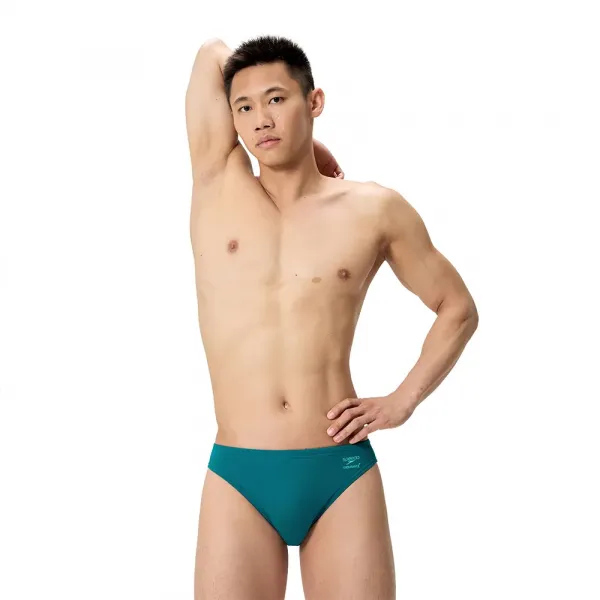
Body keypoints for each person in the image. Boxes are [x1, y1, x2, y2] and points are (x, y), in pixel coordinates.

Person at [185, 35, 478, 600]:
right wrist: (309, 146)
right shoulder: (216, 182)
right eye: (244, 107)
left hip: (339, 471)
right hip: (239, 474)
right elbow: (209, 53)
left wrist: (403, 400)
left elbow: (457, 308)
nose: (260, 119)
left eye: (277, 99)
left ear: (314, 101)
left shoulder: (373, 209)